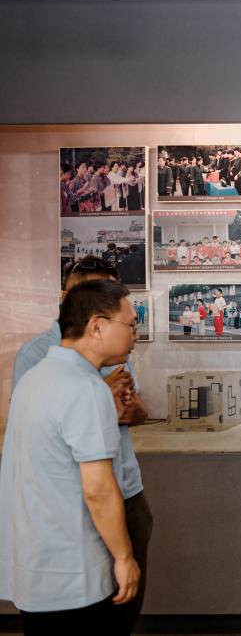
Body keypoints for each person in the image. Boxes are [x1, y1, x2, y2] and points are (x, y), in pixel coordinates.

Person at [9, 256, 152, 634]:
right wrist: (124, 557)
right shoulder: (83, 387)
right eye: (130, 325)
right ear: (97, 326)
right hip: (73, 566)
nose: (135, 335)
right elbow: (98, 489)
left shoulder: (44, 376)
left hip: (45, 565)